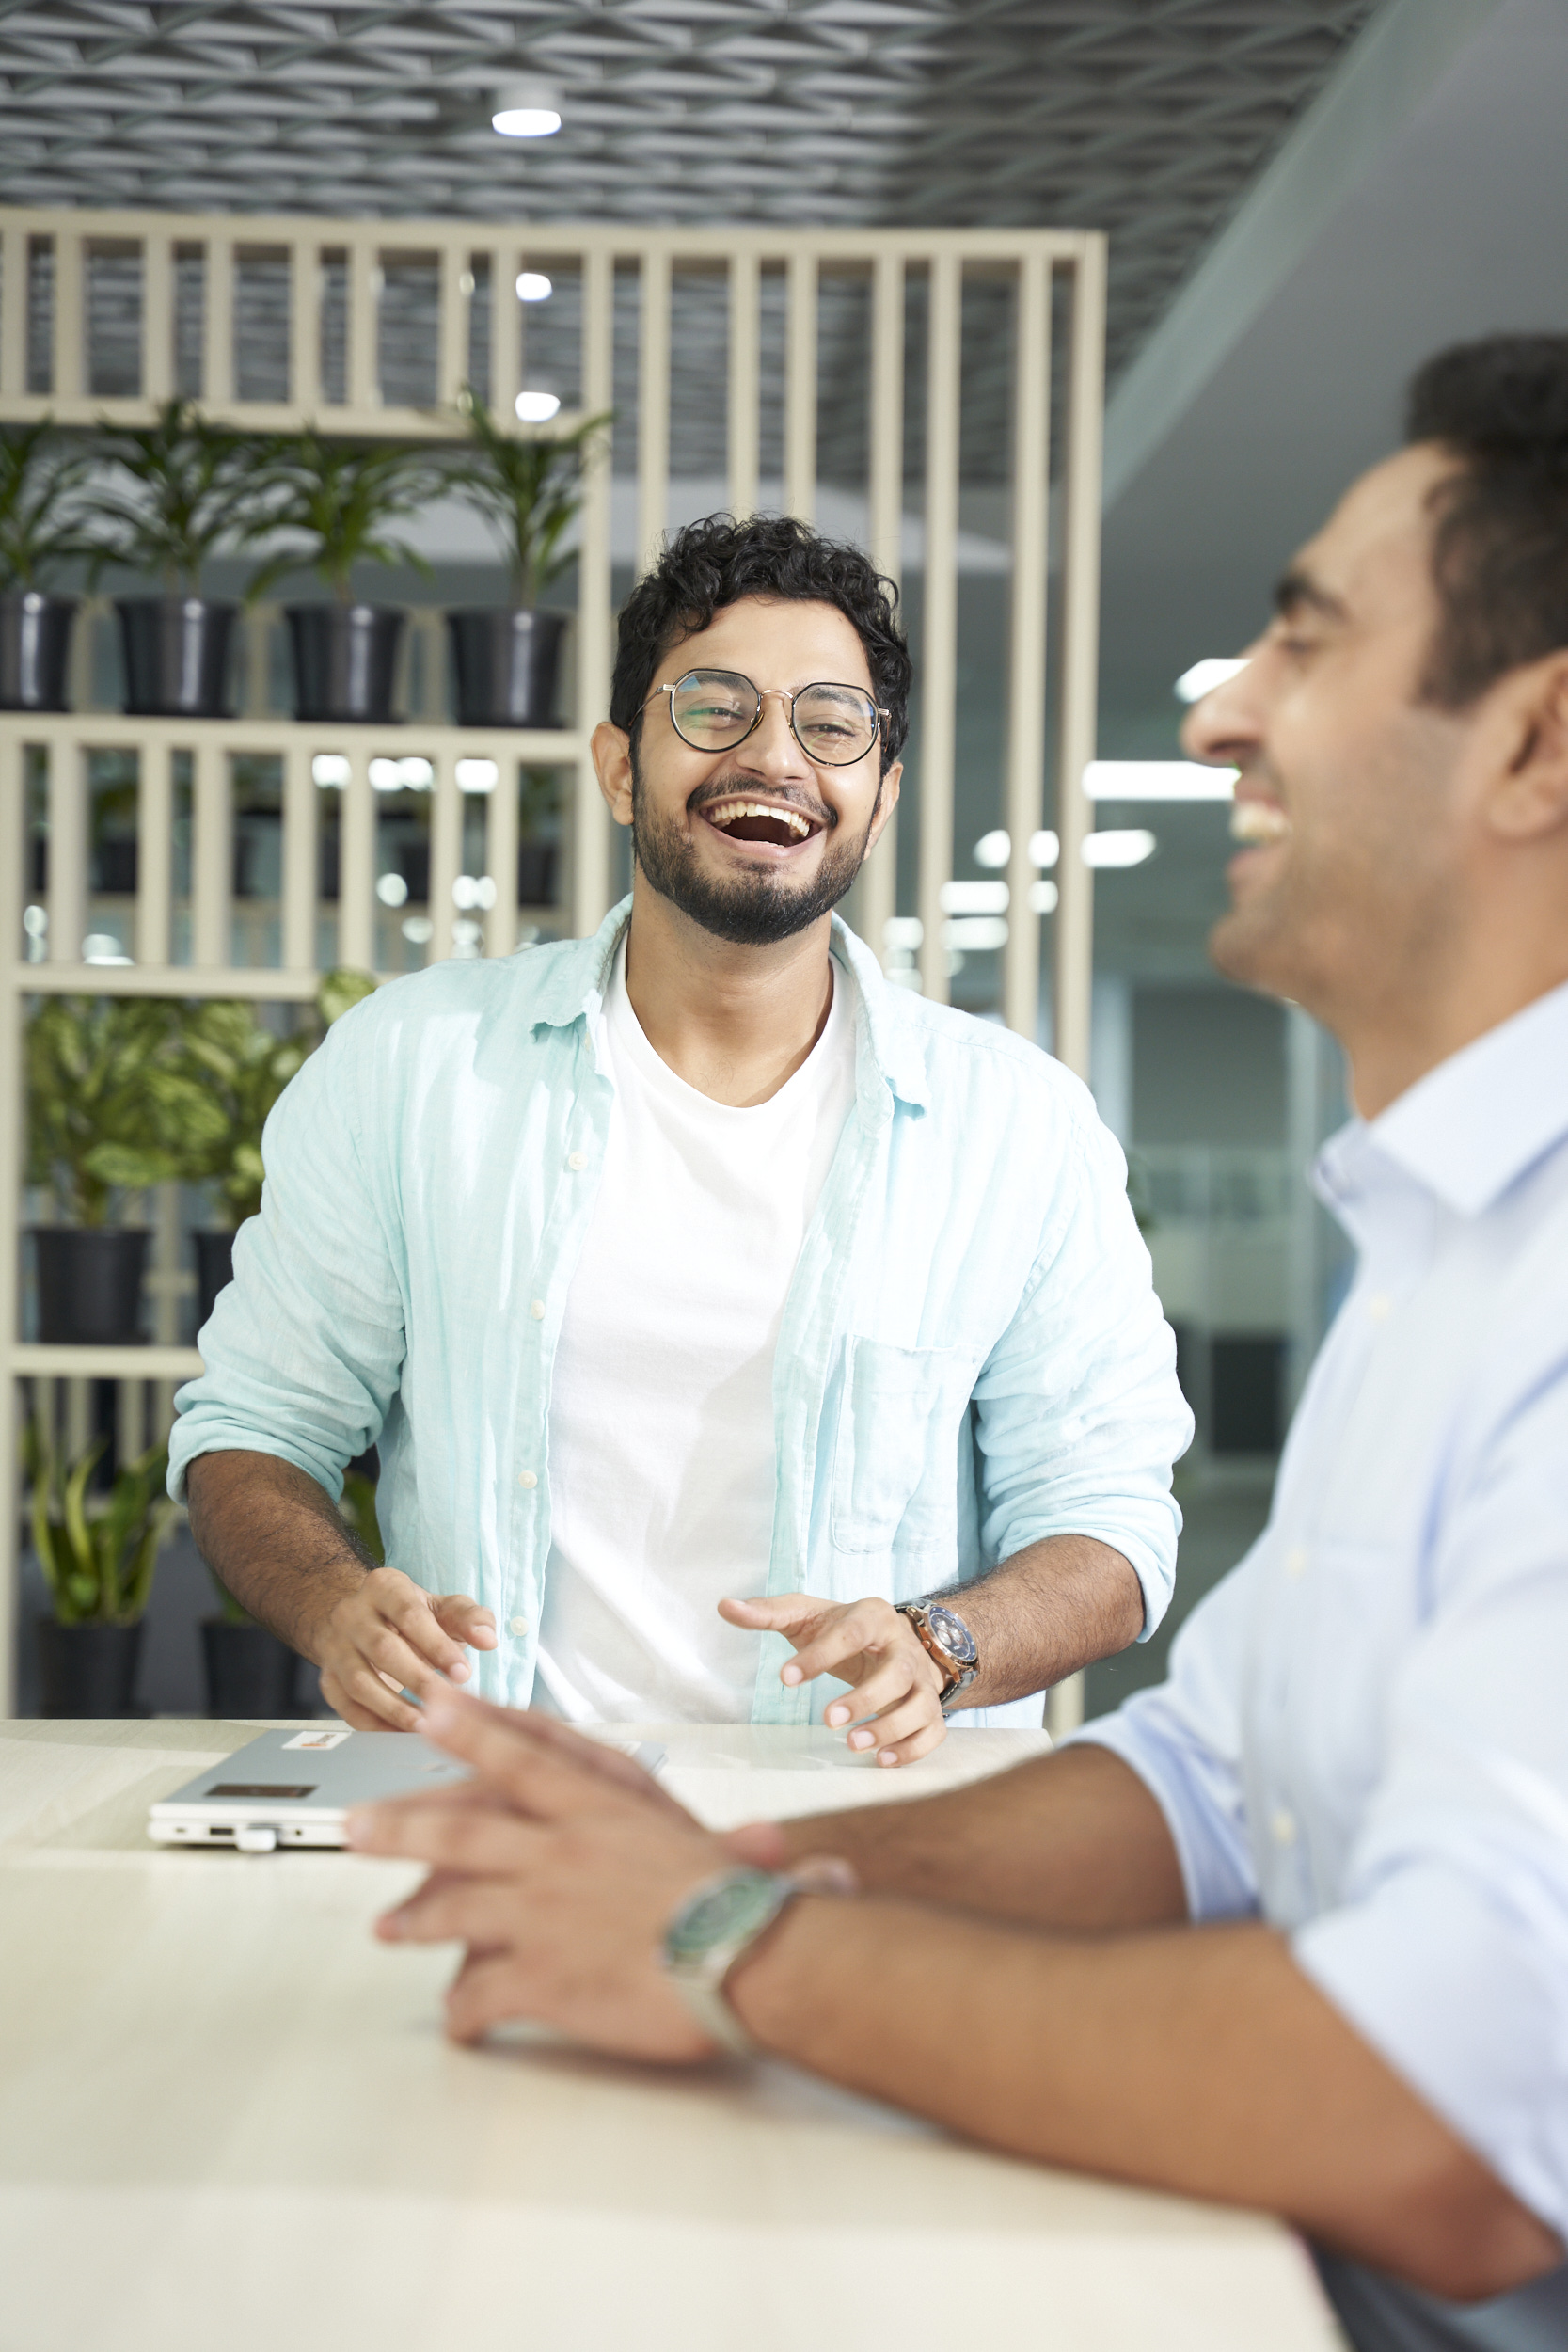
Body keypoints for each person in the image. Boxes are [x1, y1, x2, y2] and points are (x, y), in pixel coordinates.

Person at [348, 337, 1568, 2352]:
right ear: (621, 750)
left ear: (1535, 748)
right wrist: (716, 1857)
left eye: (1308, 643)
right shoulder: (1439, 1244)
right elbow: (1202, 1781)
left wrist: (730, 1934)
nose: (1223, 709)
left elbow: (1459, 2108)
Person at [170, 514, 1190, 1762]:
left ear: (879, 796)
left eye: (832, 724)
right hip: (502, 1816)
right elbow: (252, 1432)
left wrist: (945, 1643)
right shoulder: (414, 1069)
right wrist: (335, 1608)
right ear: (617, 765)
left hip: (869, 1840)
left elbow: (1113, 1520)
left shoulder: (1018, 1128)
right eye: (714, 706)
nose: (775, 757)